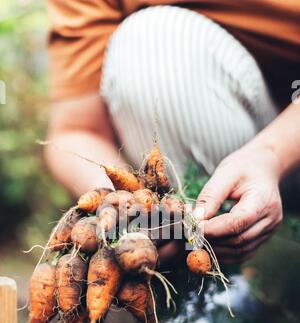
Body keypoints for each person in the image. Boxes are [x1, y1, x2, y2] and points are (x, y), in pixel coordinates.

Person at [45, 1, 300, 264]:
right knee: (151, 41)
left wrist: (272, 154)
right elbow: (77, 130)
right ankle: (204, 256)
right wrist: (130, 209)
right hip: (235, 140)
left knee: (159, 35)